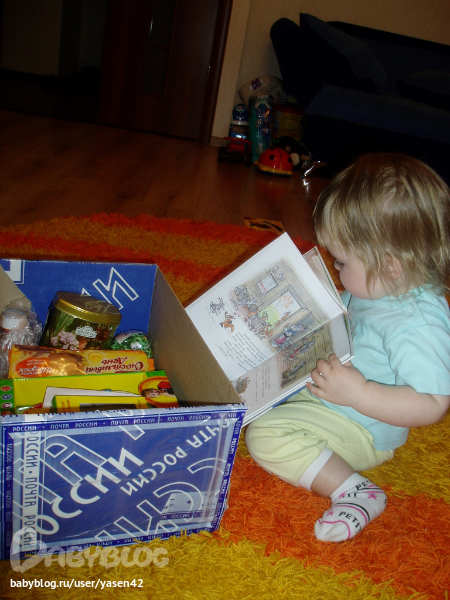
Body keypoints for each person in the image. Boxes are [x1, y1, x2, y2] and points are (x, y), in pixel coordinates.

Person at [245, 153, 450, 542]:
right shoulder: (381, 285)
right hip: (331, 393)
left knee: (265, 435)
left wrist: (360, 393)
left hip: (360, 427)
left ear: (389, 265)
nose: (336, 268)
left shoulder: (417, 324)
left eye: (341, 262)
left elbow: (434, 403)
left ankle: (354, 490)